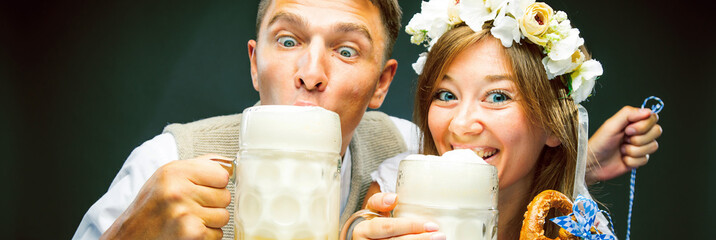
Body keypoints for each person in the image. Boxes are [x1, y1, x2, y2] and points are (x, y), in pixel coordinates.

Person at [74, 0, 657, 239]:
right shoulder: (167, 162)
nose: (310, 70)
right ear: (254, 65)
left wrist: (578, 158)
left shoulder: (406, 151)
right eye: (287, 39)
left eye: (346, 50)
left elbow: (496, 168)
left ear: (383, 83)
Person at [350, 1, 662, 239]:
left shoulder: (576, 223)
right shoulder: (396, 190)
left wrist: (584, 164)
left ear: (553, 124)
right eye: (446, 95)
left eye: (498, 96)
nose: (461, 124)